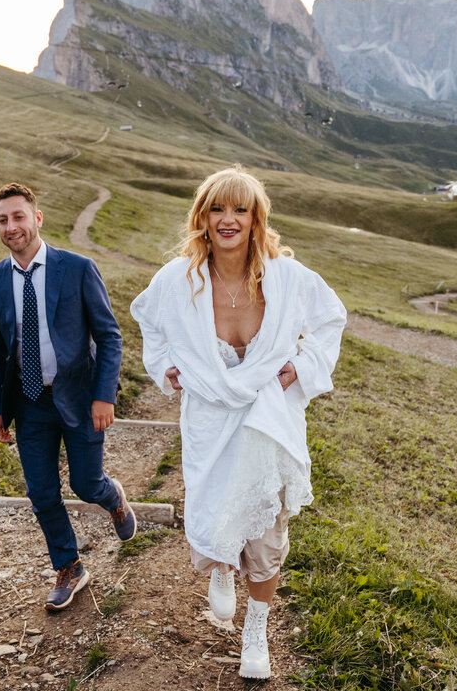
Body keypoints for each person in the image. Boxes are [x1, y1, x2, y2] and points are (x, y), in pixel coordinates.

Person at [129, 166, 345, 679]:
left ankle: (256, 632)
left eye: (240, 209)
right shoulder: (178, 279)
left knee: (268, 535)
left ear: (255, 218)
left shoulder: (287, 277)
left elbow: (330, 319)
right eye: (218, 209)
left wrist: (303, 368)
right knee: (217, 506)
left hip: (267, 415)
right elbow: (148, 322)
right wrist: (166, 368)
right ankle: (222, 566)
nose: (228, 220)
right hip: (209, 416)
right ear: (202, 216)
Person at [0, 183, 136, 611]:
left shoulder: (78, 268)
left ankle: (112, 497)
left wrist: (105, 396)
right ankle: (69, 566)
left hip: (82, 396)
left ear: (37, 218)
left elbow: (109, 335)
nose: (11, 227)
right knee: (41, 491)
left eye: (18, 216)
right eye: (2, 220)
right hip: (29, 401)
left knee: (86, 484)